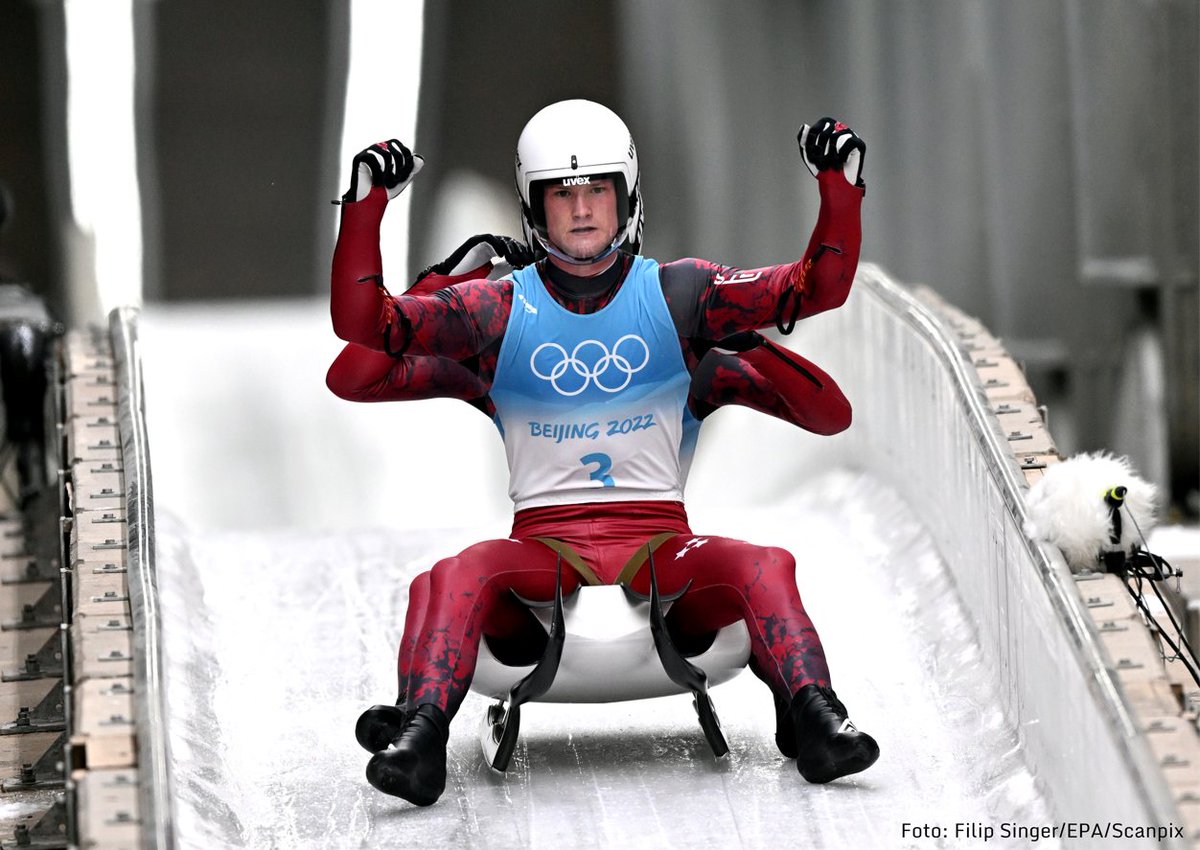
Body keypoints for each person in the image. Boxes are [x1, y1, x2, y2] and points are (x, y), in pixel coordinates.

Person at [329, 100, 878, 807]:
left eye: (598, 192)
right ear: (535, 206)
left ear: (627, 198)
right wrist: (377, 215)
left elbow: (817, 297)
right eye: (562, 194)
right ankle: (421, 738)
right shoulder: (493, 313)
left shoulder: (682, 295)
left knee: (764, 562)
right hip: (543, 553)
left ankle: (818, 715)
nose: (582, 210)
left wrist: (838, 188)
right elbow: (359, 350)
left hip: (659, 548)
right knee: (459, 571)